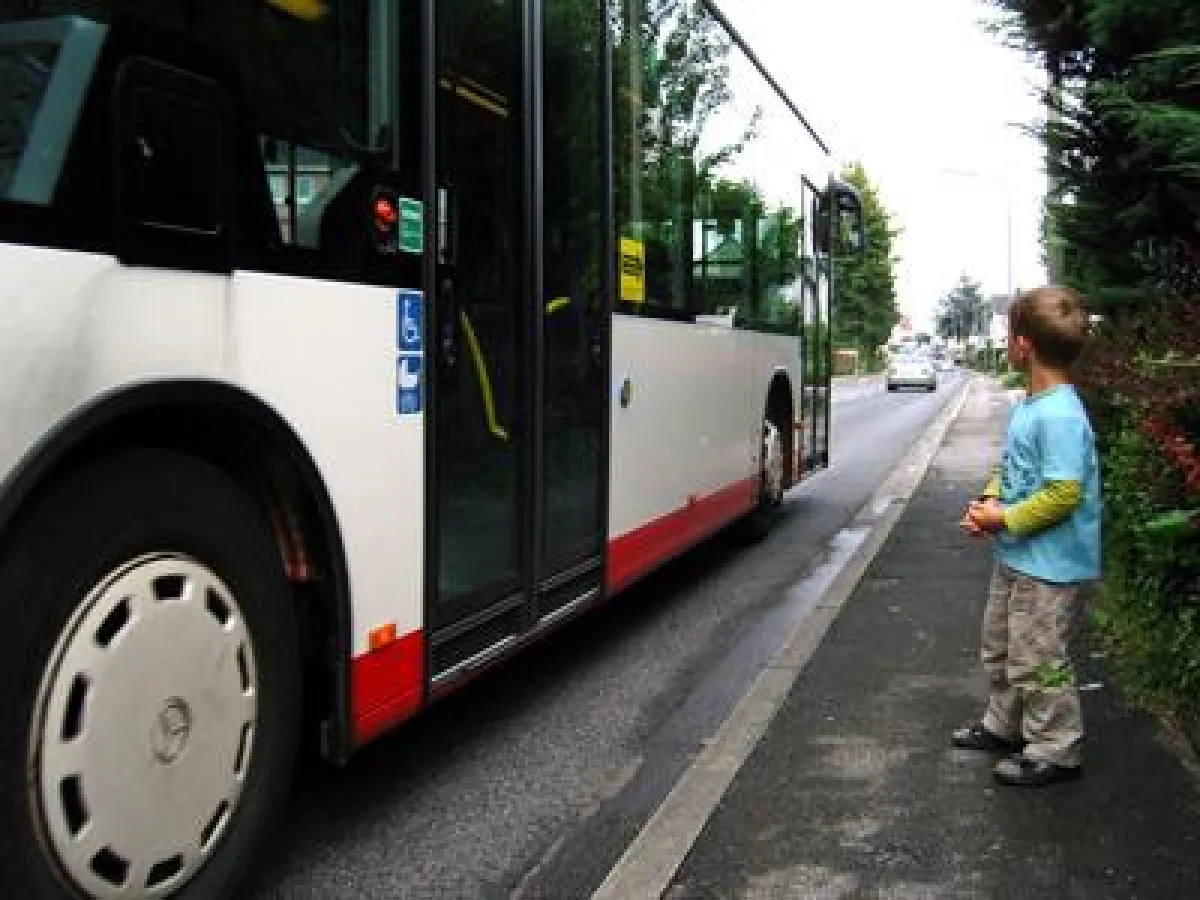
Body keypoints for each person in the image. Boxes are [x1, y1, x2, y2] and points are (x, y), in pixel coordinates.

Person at [953, 285, 1101, 787]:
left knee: (1040, 657)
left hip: (1052, 566)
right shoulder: (1032, 404)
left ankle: (1056, 748)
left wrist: (1004, 519)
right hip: (1019, 556)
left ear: (1022, 346)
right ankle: (1006, 724)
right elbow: (1014, 466)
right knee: (1001, 646)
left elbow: (1062, 493)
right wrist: (992, 500)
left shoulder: (1060, 415)